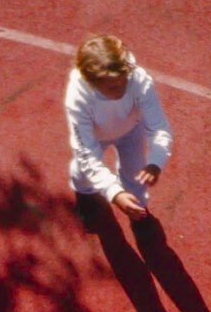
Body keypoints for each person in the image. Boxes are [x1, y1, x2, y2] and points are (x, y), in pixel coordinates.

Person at [66, 33, 175, 231]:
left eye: (125, 81)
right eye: (114, 87)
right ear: (92, 83)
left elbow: (159, 127)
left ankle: (138, 210)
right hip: (96, 136)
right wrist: (114, 193)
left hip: (130, 129)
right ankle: (86, 196)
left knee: (136, 172)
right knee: (82, 171)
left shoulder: (139, 80)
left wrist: (156, 162)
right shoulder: (77, 97)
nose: (123, 90)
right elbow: (86, 152)